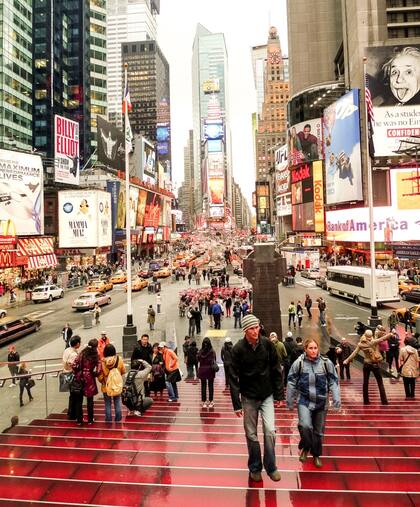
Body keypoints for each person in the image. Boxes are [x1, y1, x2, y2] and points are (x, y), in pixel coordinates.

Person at [230, 314, 283, 483]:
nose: (256, 330)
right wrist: (236, 404)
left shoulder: (267, 344)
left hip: (266, 394)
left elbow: (276, 368)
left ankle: (271, 466)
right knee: (251, 435)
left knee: (270, 431)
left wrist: (279, 394)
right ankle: (255, 467)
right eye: (252, 328)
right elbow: (233, 377)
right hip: (248, 397)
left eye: (257, 327)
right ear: (245, 330)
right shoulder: (238, 349)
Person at [287, 338, 340, 468]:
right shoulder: (298, 363)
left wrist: (336, 397)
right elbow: (291, 381)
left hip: (321, 402)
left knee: (318, 431)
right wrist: (289, 399)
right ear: (305, 349)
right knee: (305, 426)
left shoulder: (326, 363)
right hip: (304, 400)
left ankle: (316, 455)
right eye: (310, 348)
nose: (313, 350)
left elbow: (334, 380)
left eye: (315, 348)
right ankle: (306, 446)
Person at [344, 328, 392, 405]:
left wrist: (347, 360)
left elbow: (354, 353)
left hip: (366, 364)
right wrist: (391, 334)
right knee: (380, 383)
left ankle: (366, 401)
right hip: (374, 364)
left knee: (365, 383)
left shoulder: (361, 344)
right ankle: (384, 401)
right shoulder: (373, 342)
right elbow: (383, 338)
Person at [72, 338, 101, 425]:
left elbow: (74, 364)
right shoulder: (96, 355)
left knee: (79, 400)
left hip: (79, 377)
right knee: (90, 400)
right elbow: (99, 369)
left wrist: (78, 372)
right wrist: (94, 374)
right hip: (89, 378)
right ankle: (90, 420)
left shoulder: (82, 353)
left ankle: (79, 420)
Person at [98, 344, 126, 423]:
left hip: (106, 386)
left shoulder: (102, 361)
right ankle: (118, 419)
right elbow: (123, 371)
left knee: (107, 403)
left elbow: (100, 376)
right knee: (117, 401)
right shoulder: (119, 359)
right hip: (116, 385)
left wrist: (102, 380)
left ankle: (108, 419)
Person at [62, 335, 82, 420]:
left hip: (66, 375)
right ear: (77, 344)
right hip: (72, 376)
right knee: (76, 396)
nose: (80, 343)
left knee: (72, 395)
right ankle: (76, 414)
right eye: (80, 342)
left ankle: (71, 413)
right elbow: (75, 366)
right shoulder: (74, 354)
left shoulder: (67, 350)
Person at [198, 337, 217, 408]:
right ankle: (211, 401)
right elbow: (214, 360)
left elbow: (198, 359)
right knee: (211, 386)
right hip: (210, 371)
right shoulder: (212, 351)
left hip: (202, 370)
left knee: (203, 386)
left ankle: (204, 402)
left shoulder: (200, 351)